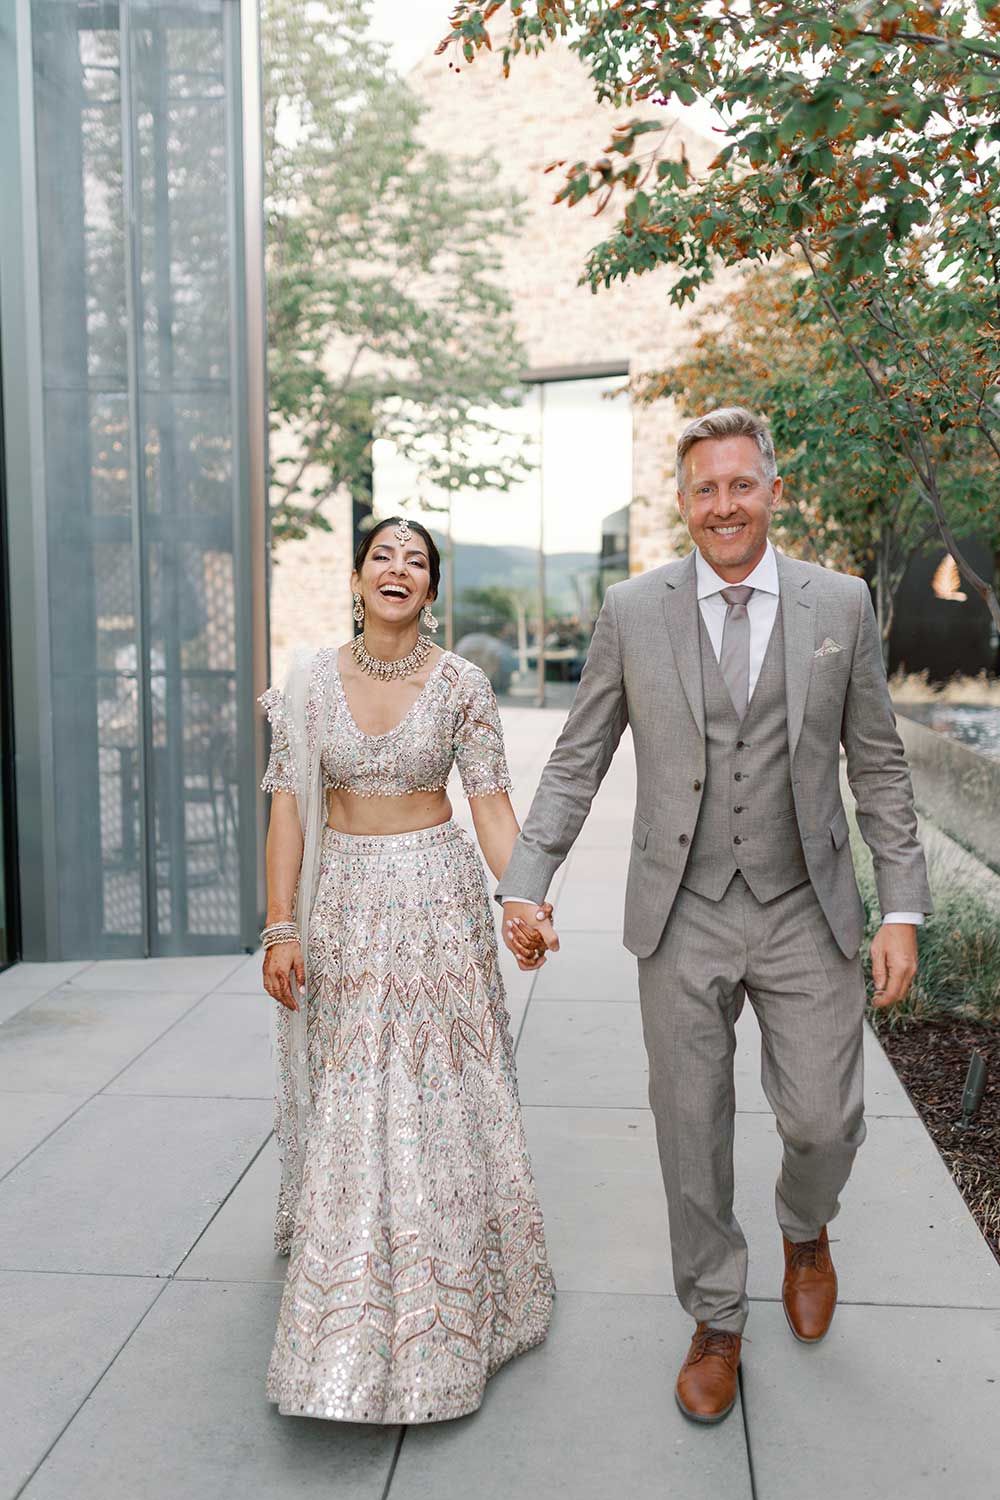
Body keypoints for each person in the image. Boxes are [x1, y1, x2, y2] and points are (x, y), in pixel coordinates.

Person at [497, 407, 931, 1425]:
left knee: (825, 1122)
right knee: (689, 1132)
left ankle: (803, 1225)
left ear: (773, 492)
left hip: (803, 903)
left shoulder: (842, 606)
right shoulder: (632, 610)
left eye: (741, 485)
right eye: (704, 488)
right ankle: (716, 1316)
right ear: (682, 501)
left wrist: (900, 907)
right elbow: (577, 758)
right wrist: (525, 881)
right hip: (680, 909)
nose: (723, 505)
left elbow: (877, 765)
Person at [257, 515, 554, 1425]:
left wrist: (525, 897)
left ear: (431, 591)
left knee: (440, 1095)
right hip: (340, 906)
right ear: (356, 579)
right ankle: (341, 1312)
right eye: (382, 556)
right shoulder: (305, 689)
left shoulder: (463, 685)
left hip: (436, 902)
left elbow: (492, 806)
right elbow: (288, 815)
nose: (397, 569)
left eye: (415, 561)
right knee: (353, 1097)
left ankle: (458, 1295)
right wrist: (279, 929)